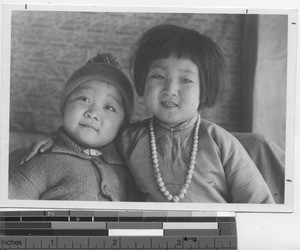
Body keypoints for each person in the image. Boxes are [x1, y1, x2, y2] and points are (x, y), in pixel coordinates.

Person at [20, 24, 275, 204]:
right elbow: (88, 146)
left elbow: (258, 204)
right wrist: (56, 141)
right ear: (143, 82)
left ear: (205, 88)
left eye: (186, 80)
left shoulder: (220, 142)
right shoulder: (129, 138)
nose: (170, 89)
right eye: (158, 76)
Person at [9, 52, 136, 201]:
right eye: (84, 99)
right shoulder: (42, 160)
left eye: (109, 107)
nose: (93, 113)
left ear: (122, 124)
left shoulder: (130, 168)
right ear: (64, 107)